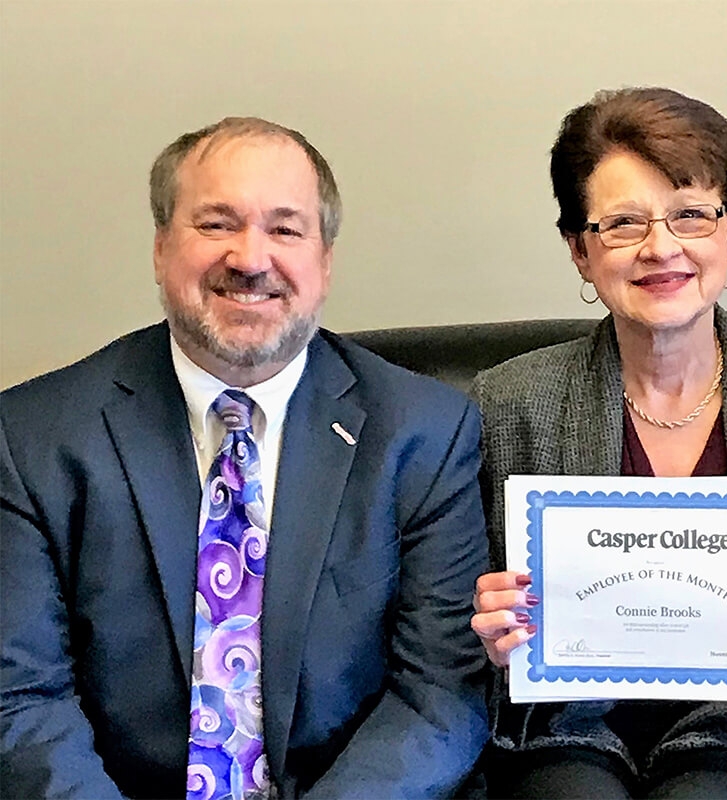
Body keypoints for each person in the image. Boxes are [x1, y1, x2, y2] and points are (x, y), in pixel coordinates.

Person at [0, 117, 489, 798]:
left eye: (285, 230)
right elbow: (21, 698)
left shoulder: (425, 434)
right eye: (216, 224)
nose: (251, 258)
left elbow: (440, 693)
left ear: (324, 260)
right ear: (160, 247)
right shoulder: (32, 437)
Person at [469, 87, 727, 798]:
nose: (662, 248)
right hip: (569, 734)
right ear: (579, 250)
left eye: (690, 214)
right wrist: (494, 646)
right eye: (623, 224)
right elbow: (461, 657)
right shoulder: (506, 406)